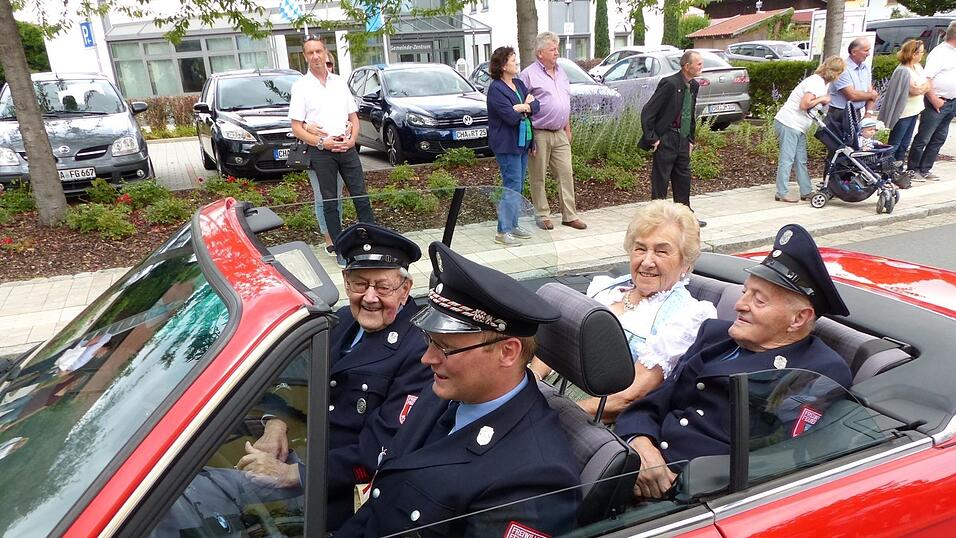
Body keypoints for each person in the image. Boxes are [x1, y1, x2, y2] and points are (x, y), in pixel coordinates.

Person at [337, 241, 580, 537]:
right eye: (429, 341)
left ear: (507, 352)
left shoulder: (535, 479)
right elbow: (379, 502)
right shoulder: (446, 393)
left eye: (445, 347)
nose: (427, 358)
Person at [615, 223, 853, 499]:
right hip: (637, 466)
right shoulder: (714, 336)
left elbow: (780, 458)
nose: (740, 305)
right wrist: (640, 443)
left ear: (798, 319)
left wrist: (683, 486)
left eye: (758, 300)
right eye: (745, 293)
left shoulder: (817, 369)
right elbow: (651, 405)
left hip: (695, 498)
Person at [242, 223, 432, 530]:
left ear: (405, 289)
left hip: (339, 495)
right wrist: (275, 424)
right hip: (296, 452)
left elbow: (382, 450)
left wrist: (296, 475)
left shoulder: (420, 350)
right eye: (359, 285)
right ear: (345, 282)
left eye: (382, 287)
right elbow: (297, 378)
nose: (369, 297)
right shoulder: (342, 320)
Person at [530, 200, 716, 422]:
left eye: (661, 251)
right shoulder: (607, 289)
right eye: (640, 248)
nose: (647, 261)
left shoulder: (686, 316)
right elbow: (560, 344)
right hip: (548, 396)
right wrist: (532, 382)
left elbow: (628, 398)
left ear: (685, 262)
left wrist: (551, 414)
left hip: (593, 419)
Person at [289, 35, 375, 265]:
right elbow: (297, 128)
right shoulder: (301, 87)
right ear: (305, 56)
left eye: (319, 51)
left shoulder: (339, 82)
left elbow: (353, 117)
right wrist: (320, 143)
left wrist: (353, 139)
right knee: (330, 202)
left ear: (326, 53)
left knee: (361, 196)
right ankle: (341, 251)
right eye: (310, 53)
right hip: (322, 151)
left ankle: (373, 242)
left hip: (346, 148)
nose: (316, 56)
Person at [518, 32, 588, 231]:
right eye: (552, 49)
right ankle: (542, 214)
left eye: (557, 48)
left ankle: (569, 215)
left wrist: (567, 127)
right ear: (540, 53)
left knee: (566, 173)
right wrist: (529, 136)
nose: (557, 52)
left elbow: (565, 102)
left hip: (560, 132)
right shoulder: (528, 74)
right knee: (538, 175)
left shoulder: (562, 72)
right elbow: (522, 106)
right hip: (539, 132)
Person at [638, 51, 707, 228]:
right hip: (666, 138)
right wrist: (653, 139)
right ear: (687, 66)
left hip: (683, 139)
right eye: (698, 64)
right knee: (661, 180)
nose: (701, 67)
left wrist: (691, 139)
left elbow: (689, 114)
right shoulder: (669, 84)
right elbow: (648, 112)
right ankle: (656, 219)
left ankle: (685, 218)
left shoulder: (693, 86)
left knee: (683, 178)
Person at [772, 56, 845, 203]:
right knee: (787, 159)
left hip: (798, 126)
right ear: (836, 73)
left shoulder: (823, 84)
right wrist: (822, 99)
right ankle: (782, 192)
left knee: (801, 159)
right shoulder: (815, 83)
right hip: (789, 123)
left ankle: (806, 191)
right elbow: (804, 105)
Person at [487, 46, 539, 246]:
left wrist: (523, 107)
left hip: (523, 141)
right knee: (511, 186)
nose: (516, 63)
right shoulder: (496, 89)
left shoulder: (518, 83)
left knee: (518, 187)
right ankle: (503, 231)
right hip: (507, 145)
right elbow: (509, 117)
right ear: (502, 65)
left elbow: (536, 105)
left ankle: (514, 225)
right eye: (512, 60)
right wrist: (524, 108)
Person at [304, 56, 346, 256]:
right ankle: (329, 237)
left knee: (337, 195)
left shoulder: (338, 86)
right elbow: (296, 123)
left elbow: (350, 114)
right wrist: (306, 126)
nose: (326, 66)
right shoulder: (305, 88)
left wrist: (349, 126)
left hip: (339, 150)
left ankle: (338, 234)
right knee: (322, 197)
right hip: (317, 151)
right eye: (323, 63)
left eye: (330, 64)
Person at [907, 21, 956, 181]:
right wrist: (934, 99)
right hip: (937, 101)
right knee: (924, 136)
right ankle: (913, 169)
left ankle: (925, 168)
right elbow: (927, 78)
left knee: (939, 137)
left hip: (951, 102)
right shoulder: (940, 53)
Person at [825, 38, 879, 172]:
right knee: (838, 149)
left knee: (855, 148)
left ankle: (846, 181)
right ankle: (830, 182)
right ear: (854, 52)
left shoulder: (865, 68)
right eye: (866, 50)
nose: (868, 53)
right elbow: (852, 95)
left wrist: (868, 114)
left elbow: (871, 93)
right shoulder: (842, 69)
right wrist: (870, 95)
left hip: (857, 112)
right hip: (839, 114)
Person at [878, 40, 930, 173]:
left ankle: (898, 169)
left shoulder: (917, 67)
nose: (922, 55)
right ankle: (886, 169)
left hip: (915, 110)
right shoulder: (903, 70)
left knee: (905, 143)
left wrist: (922, 87)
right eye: (921, 52)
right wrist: (922, 87)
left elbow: (928, 84)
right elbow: (915, 90)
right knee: (895, 143)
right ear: (913, 54)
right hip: (903, 112)